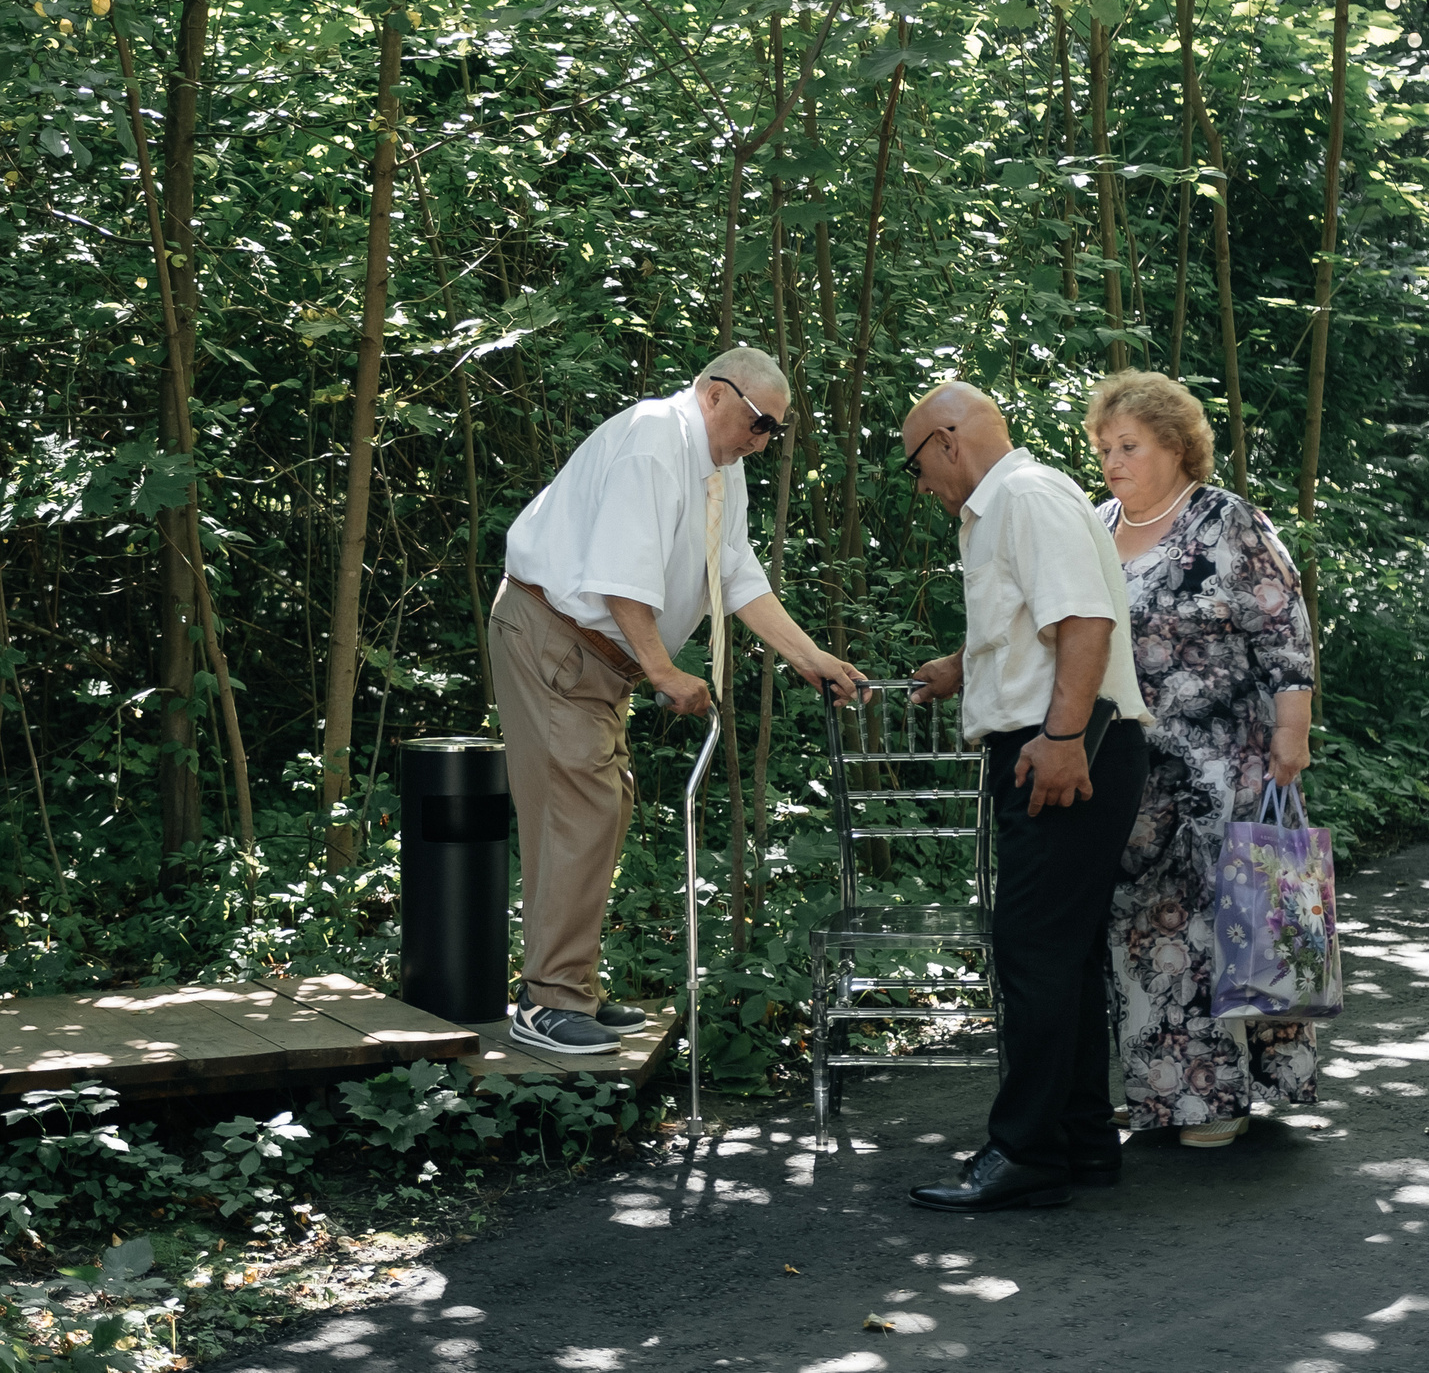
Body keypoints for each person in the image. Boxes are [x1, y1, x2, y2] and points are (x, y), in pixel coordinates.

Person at [491, 346, 862, 1057]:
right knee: (583, 803)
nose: (762, 441)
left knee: (603, 805)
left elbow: (738, 574)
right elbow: (619, 573)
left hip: (594, 656)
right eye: (758, 423)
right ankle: (547, 1000)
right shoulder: (656, 439)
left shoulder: (723, 471)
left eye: (775, 433)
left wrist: (809, 657)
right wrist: (663, 669)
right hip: (551, 634)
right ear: (714, 394)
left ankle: (567, 986)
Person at [900, 381, 1152, 1212]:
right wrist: (961, 665)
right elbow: (1030, 627)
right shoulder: (1012, 504)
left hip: (1069, 745)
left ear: (946, 440)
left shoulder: (1023, 496)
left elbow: (1083, 621)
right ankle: (1081, 1141)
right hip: (1067, 739)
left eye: (915, 467)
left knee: (1031, 949)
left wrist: (1062, 738)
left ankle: (1025, 1149)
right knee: (1064, 952)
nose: (921, 486)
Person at [1089, 370, 1318, 1148]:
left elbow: (1285, 630)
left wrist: (1294, 730)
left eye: (1130, 445)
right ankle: (1161, 1091)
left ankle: (1217, 1099)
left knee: (1217, 927)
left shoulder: (1228, 522)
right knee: (1139, 935)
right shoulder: (1093, 526)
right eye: (1104, 445)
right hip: (1126, 769)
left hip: (1228, 764)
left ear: (1178, 447)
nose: (1113, 459)